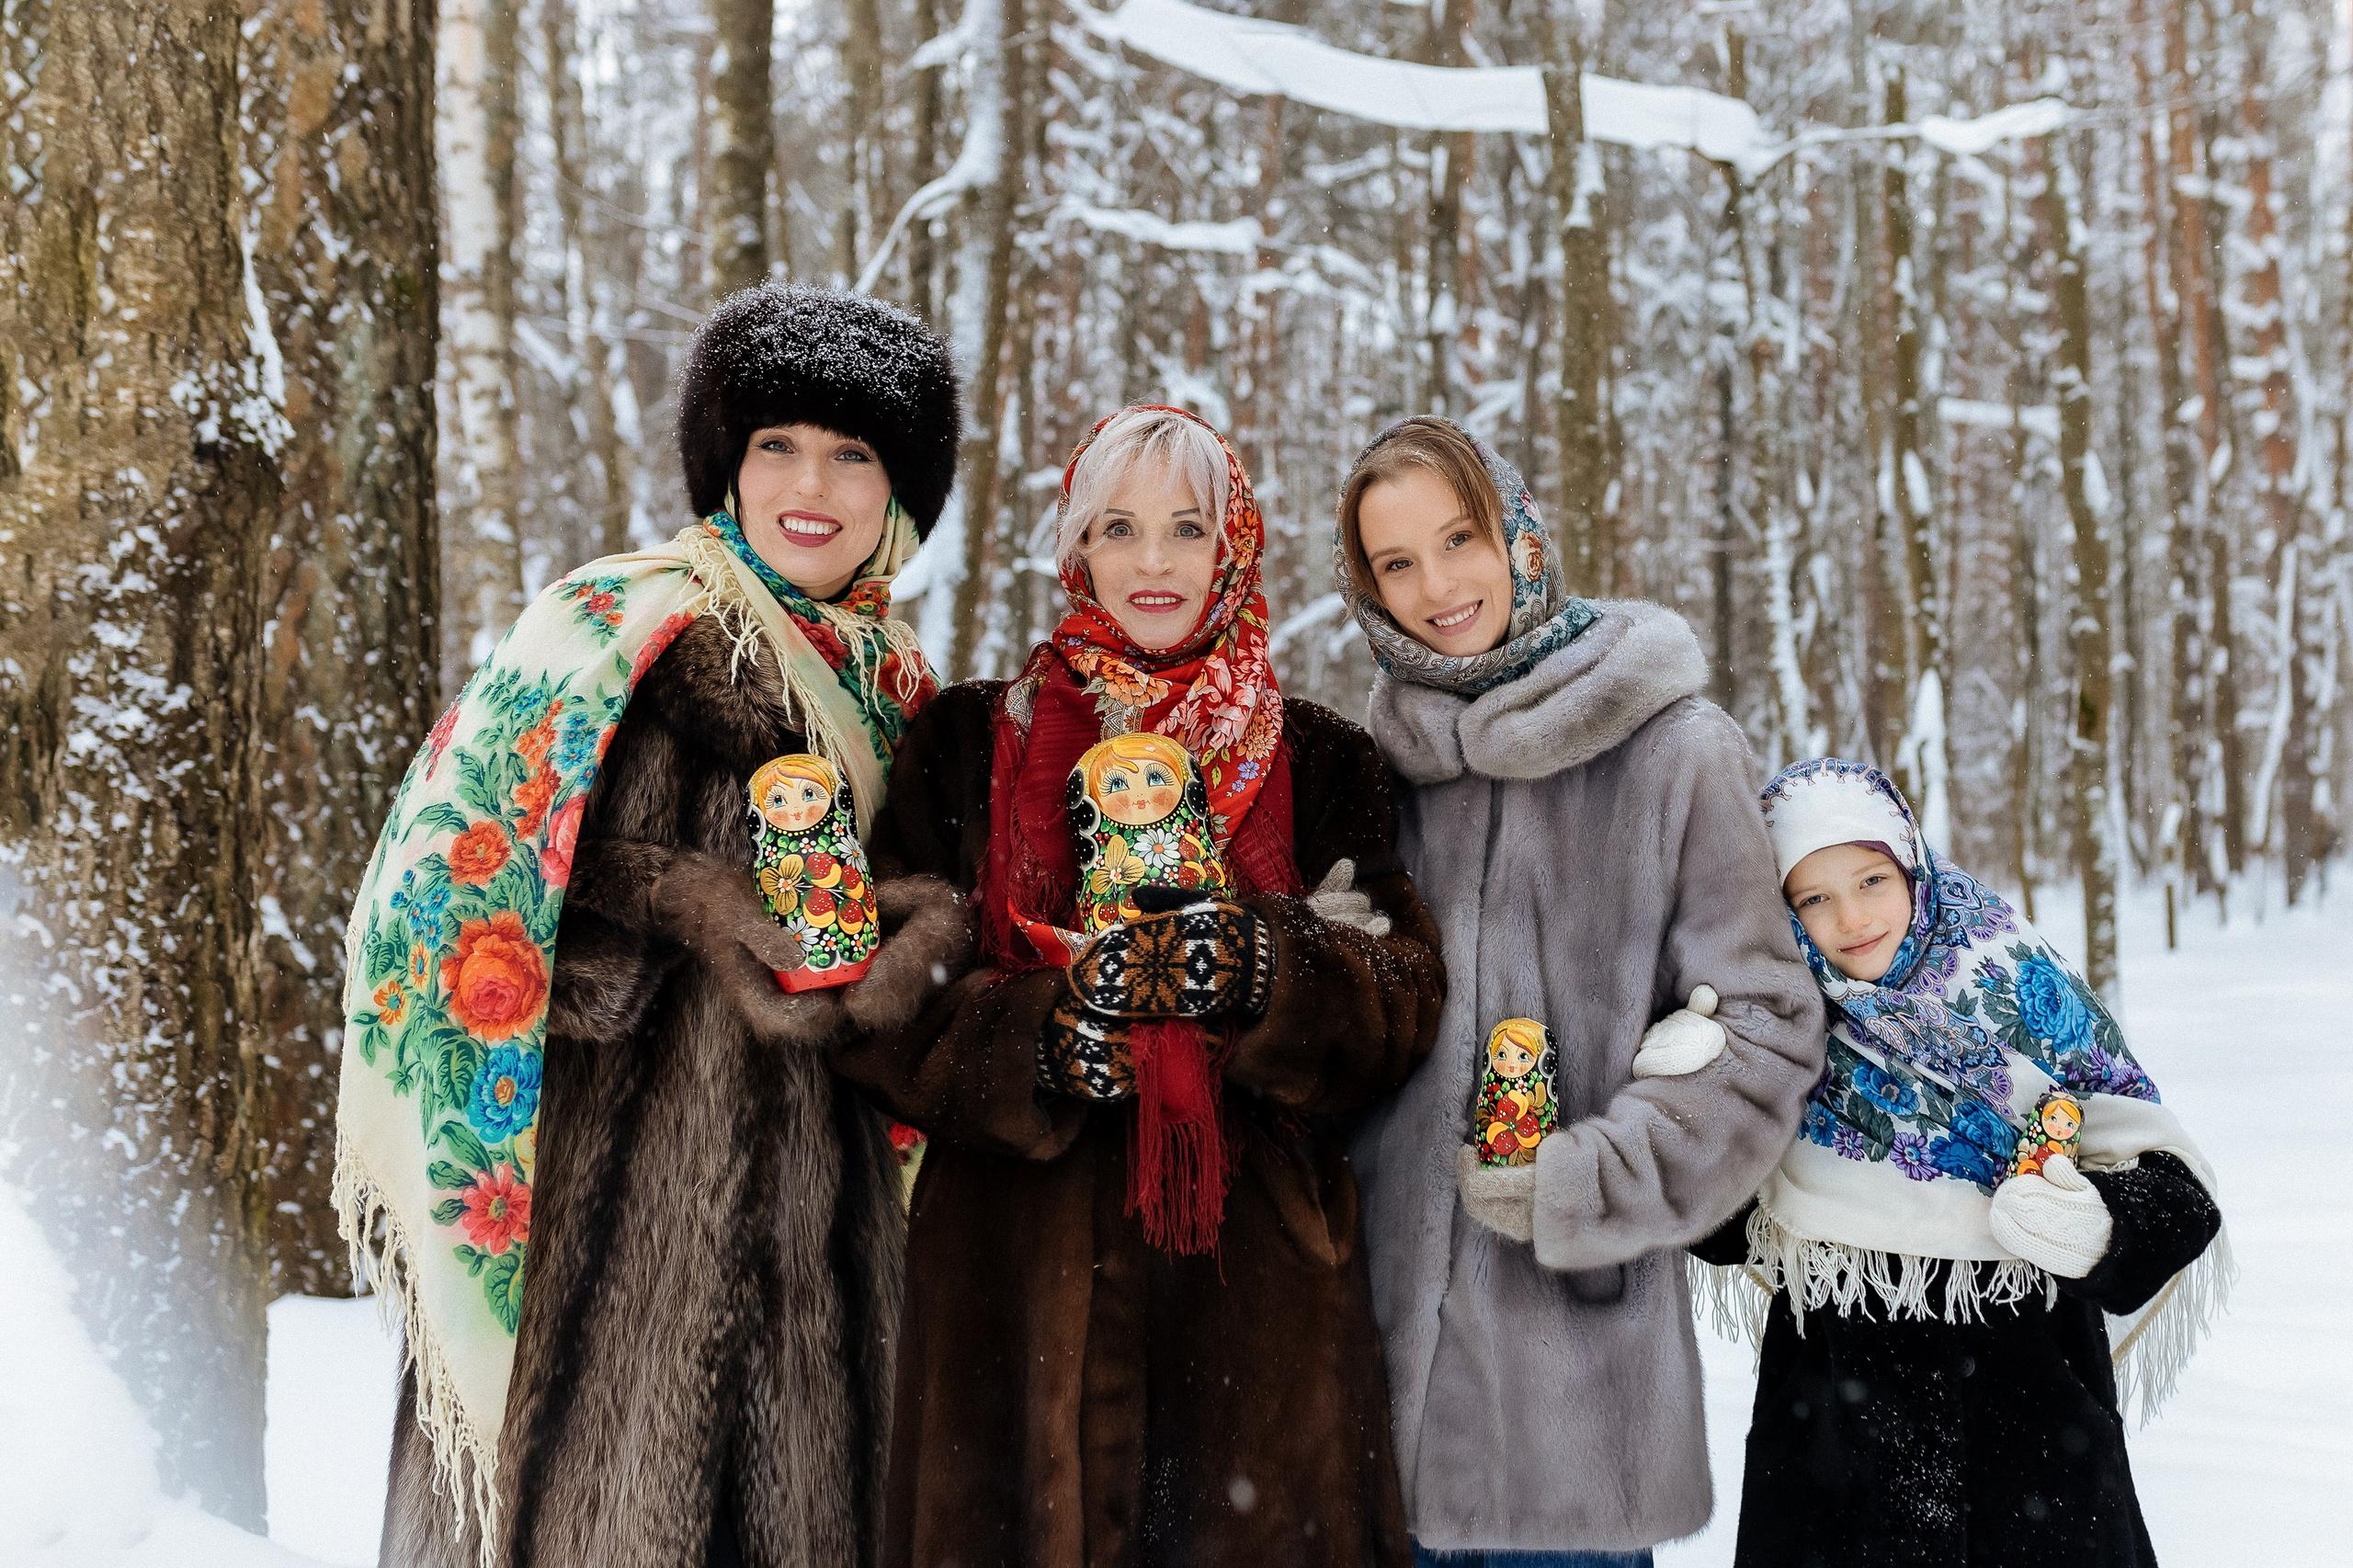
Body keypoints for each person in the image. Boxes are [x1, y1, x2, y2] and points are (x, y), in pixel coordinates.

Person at [339, 284, 973, 1568]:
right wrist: (677, 905)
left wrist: (910, 938)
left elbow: (939, 946)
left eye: (854, 454)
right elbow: (453, 887)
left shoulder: (906, 695)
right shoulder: (612, 633)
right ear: (724, 468)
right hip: (609, 1255)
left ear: (898, 495)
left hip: (825, 1282)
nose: (813, 482)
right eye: (776, 445)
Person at [833, 404, 1447, 1568]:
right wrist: (1037, 1039)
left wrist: (1268, 965)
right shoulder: (966, 741)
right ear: (1077, 548)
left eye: (1186, 526)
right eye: (1120, 526)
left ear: (1235, 545)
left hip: (1256, 1291)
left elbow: (1403, 993)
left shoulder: (1318, 756)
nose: (1153, 561)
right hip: (1009, 1281)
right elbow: (870, 996)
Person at [1336, 416, 1827, 1566]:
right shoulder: (1373, 764)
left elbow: (1765, 1023)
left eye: (1458, 539)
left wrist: (1590, 1181)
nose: (1436, 586)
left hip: (1567, 1402)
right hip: (1358, 1395)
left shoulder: (1672, 749)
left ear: (1522, 539)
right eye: (1395, 563)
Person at [1690, 756, 2229, 1567]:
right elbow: (1724, 1231)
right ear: (1784, 911)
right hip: (1837, 1456)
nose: (1852, 916)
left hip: (2038, 1454)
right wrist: (1693, 1104)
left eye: (1871, 879)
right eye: (1814, 896)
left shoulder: (2018, 994)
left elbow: (2176, 1195)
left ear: (1913, 866)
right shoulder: (1772, 1025)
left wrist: (2097, 1229)